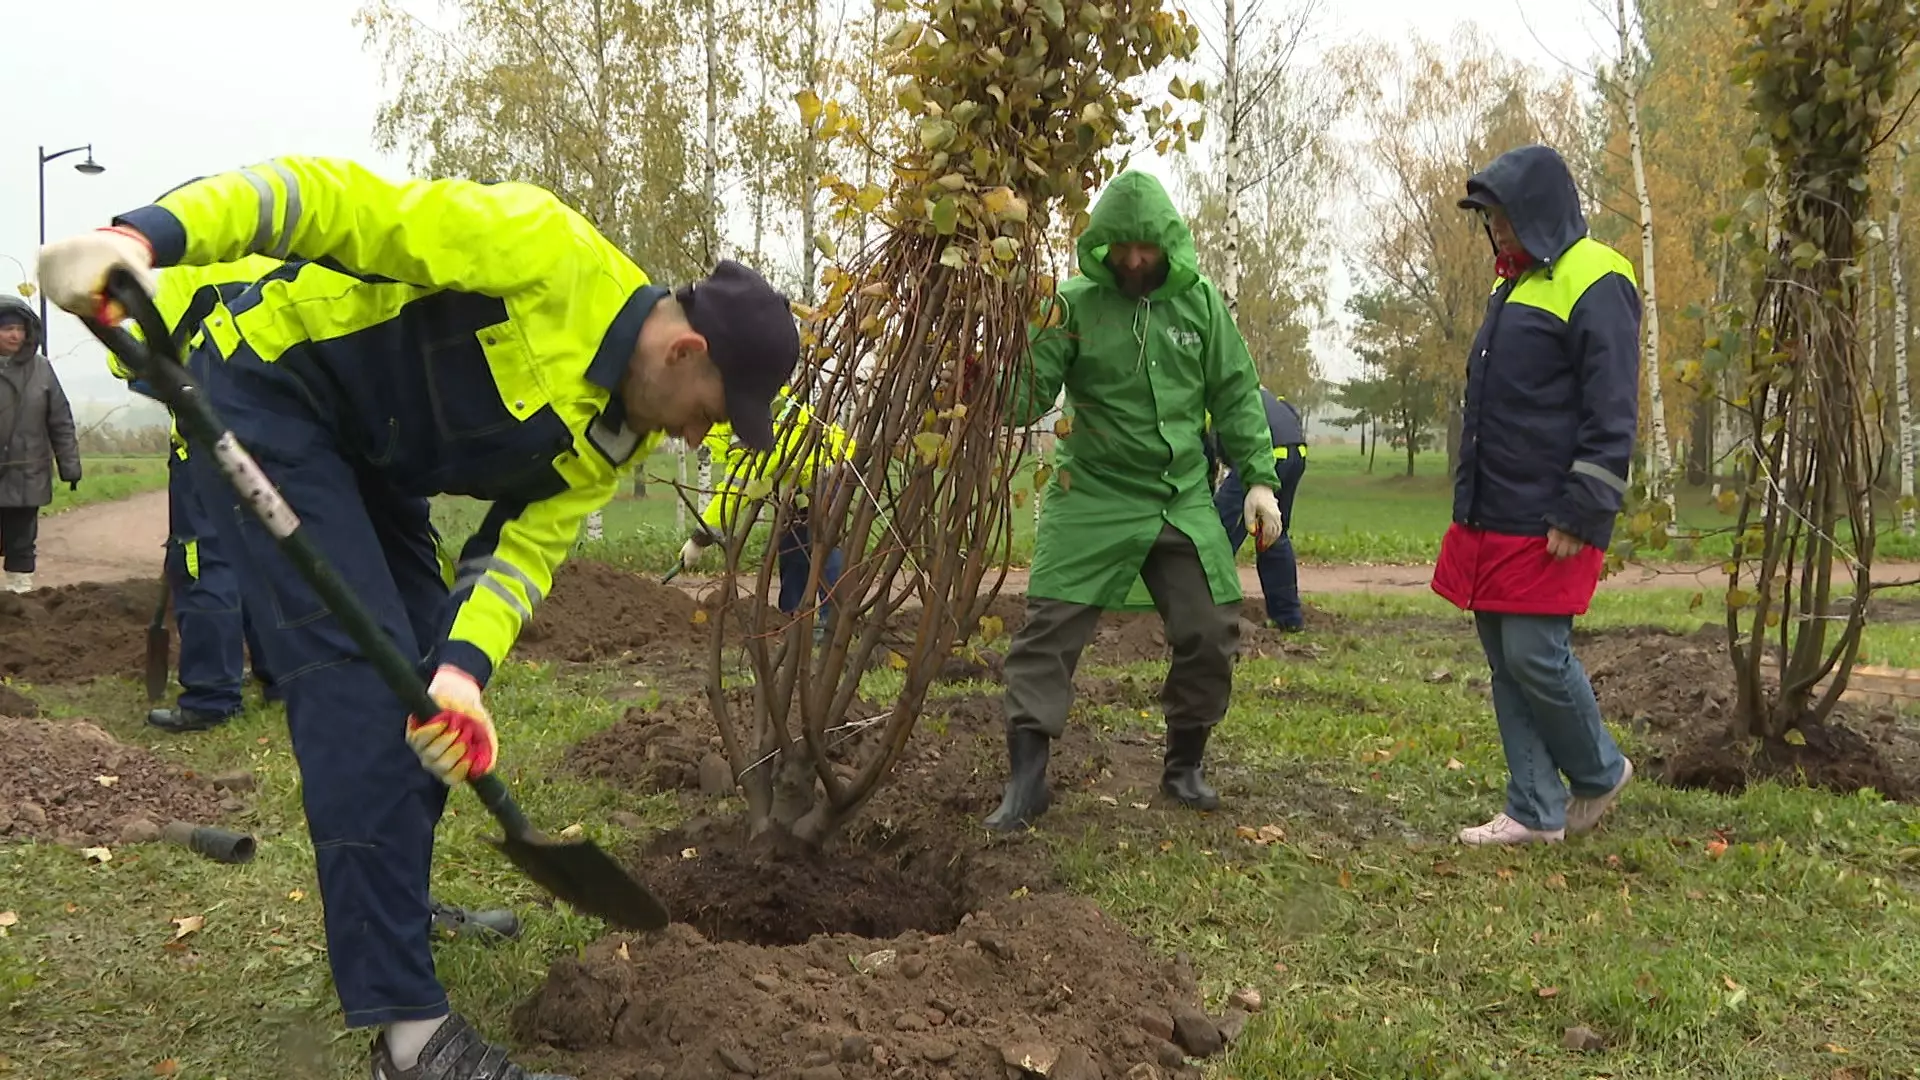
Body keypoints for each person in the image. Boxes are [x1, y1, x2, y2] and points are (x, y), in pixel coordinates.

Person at [38, 156, 798, 1080]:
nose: (696, 438)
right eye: (711, 414)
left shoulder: (613, 434)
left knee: (424, 696)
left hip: (371, 463)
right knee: (361, 692)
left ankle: (396, 900)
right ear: (686, 354)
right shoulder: (545, 252)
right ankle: (411, 1039)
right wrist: (145, 236)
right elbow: (327, 203)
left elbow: (515, 559)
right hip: (271, 386)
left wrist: (462, 676)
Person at [985, 169, 1283, 832]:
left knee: (1210, 627)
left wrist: (1258, 477)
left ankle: (1184, 767)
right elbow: (1025, 399)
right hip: (1089, 491)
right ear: (1103, 245)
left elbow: (1234, 391)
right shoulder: (1069, 305)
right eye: (1122, 247)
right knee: (1048, 631)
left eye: (1147, 247)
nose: (1135, 260)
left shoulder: (1201, 304)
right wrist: (997, 349)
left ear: (1168, 243)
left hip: (1179, 496)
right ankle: (1027, 784)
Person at [1431, 143, 1639, 847]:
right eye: (1491, 221)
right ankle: (1532, 809)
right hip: (1494, 507)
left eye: (1506, 219)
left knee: (1534, 652)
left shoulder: (1597, 277)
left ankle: (1600, 772)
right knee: (1502, 652)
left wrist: (1584, 507)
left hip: (1551, 512)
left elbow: (1611, 411)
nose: (1498, 233)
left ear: (1540, 211)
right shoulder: (1511, 284)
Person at [116, 255, 283, 732]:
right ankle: (284, 678)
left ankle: (212, 697)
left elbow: (126, 354)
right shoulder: (286, 263)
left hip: (209, 444)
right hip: (287, 446)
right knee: (273, 557)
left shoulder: (195, 274)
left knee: (204, 561)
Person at [678, 387, 853, 636]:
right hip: (798, 477)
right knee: (792, 548)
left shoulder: (742, 417)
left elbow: (738, 486)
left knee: (823, 546)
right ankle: (790, 618)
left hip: (825, 468)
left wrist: (699, 539)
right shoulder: (738, 401)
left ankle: (832, 623)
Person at [1207, 386, 1308, 631]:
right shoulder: (1265, 394)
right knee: (1273, 534)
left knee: (1216, 534)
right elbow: (1291, 413)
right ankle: (1288, 619)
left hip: (1264, 457)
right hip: (1297, 453)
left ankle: (1207, 613)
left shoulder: (1216, 400)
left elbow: (1207, 460)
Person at [0, 296, 81, 593]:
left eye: (19, 329)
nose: (15, 335)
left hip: (27, 474)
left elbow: (60, 421)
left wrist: (69, 466)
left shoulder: (41, 369)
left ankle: (19, 596)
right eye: (7, 328)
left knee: (21, 542)